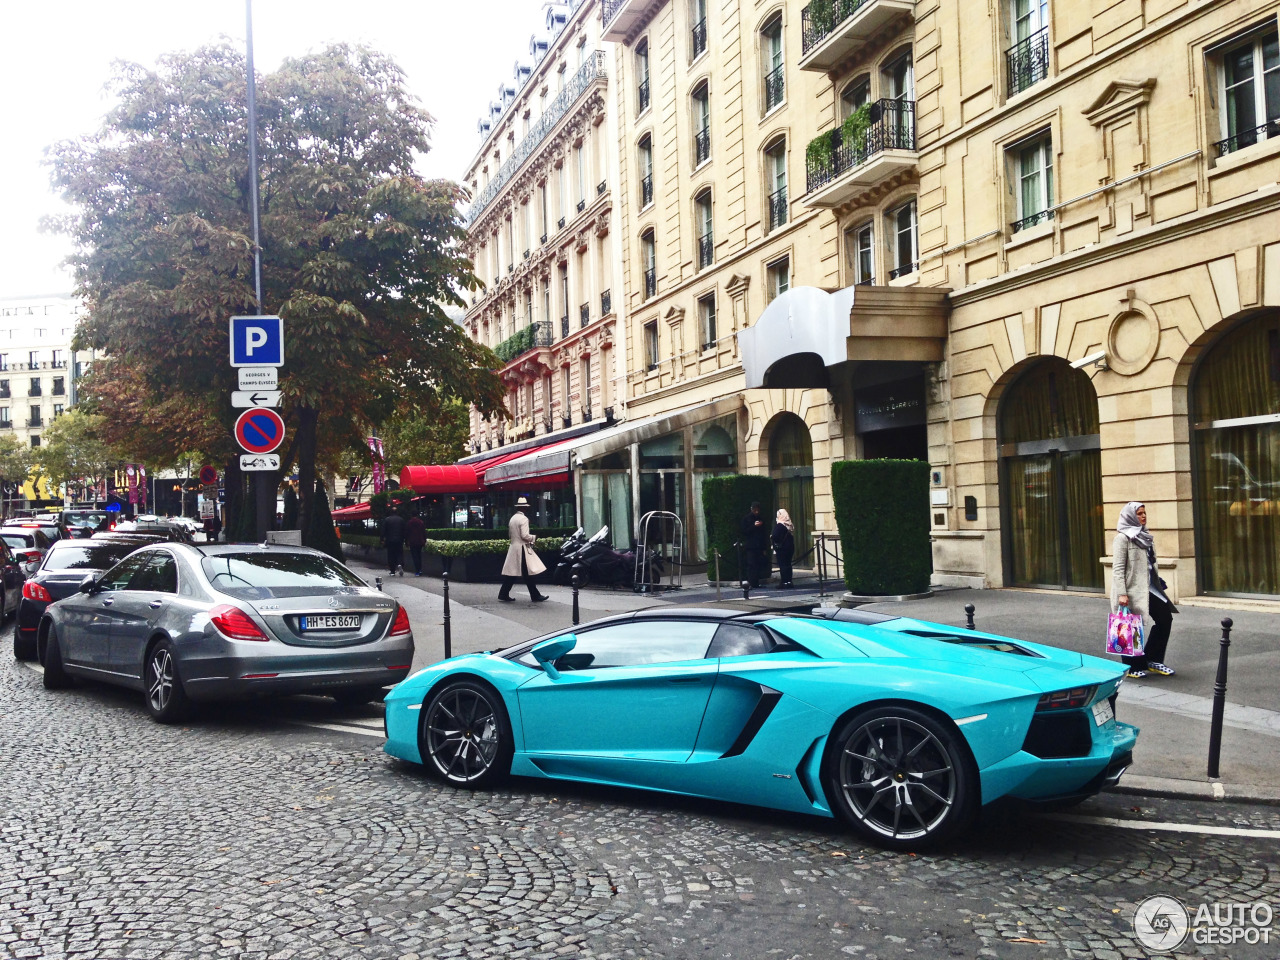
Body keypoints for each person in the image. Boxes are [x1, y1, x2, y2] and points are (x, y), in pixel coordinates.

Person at [1110, 501, 1176, 679]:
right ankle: (1132, 667)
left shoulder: (1145, 536)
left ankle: (1153, 659)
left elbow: (1150, 565)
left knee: (1165, 619)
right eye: (1139, 513)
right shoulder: (1122, 539)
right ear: (1130, 516)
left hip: (1149, 588)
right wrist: (1122, 593)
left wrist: (1157, 580)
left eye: (1144, 513)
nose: (1143, 516)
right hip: (1130, 590)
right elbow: (1117, 570)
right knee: (1129, 626)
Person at [498, 497, 547, 602]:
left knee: (513, 573)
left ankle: (504, 593)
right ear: (525, 508)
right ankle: (535, 595)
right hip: (522, 549)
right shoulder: (524, 519)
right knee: (527, 573)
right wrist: (533, 537)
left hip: (514, 548)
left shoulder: (513, 518)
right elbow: (524, 535)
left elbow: (510, 535)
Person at [740, 501, 769, 588]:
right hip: (751, 546)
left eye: (757, 510)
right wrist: (754, 526)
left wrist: (764, 548)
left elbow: (764, 533)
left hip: (759, 545)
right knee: (751, 565)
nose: (756, 512)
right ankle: (751, 582)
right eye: (755, 510)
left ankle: (756, 582)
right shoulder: (746, 519)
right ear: (751, 509)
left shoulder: (761, 518)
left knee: (758, 564)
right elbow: (744, 531)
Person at [772, 508, 795, 588]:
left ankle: (784, 582)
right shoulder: (789, 524)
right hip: (790, 547)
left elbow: (775, 536)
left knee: (783, 565)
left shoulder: (780, 525)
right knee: (788, 564)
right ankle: (789, 581)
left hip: (782, 548)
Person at [382, 509, 406, 576]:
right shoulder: (401, 520)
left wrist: (382, 539)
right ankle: (400, 564)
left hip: (390, 540)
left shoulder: (387, 520)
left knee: (391, 555)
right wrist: (405, 539)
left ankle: (392, 571)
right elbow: (404, 530)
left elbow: (383, 530)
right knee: (399, 553)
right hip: (399, 540)